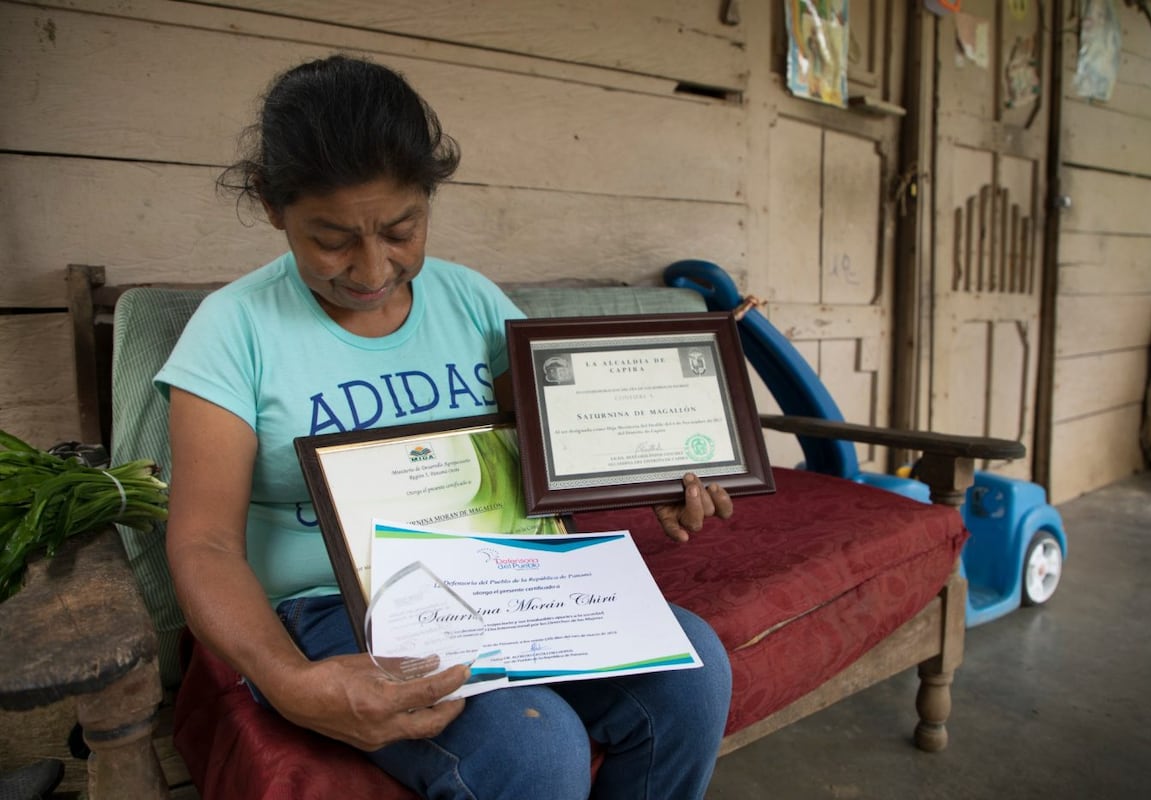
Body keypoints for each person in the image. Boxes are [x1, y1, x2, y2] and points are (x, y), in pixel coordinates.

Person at [159, 53, 733, 800]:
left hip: (506, 578)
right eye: (332, 239)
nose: (371, 268)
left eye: (401, 228)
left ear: (428, 198)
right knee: (534, 746)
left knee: (692, 669)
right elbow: (202, 542)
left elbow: (560, 442)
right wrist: (290, 681)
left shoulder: (470, 301)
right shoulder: (232, 331)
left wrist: (646, 473)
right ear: (273, 206)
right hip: (335, 601)